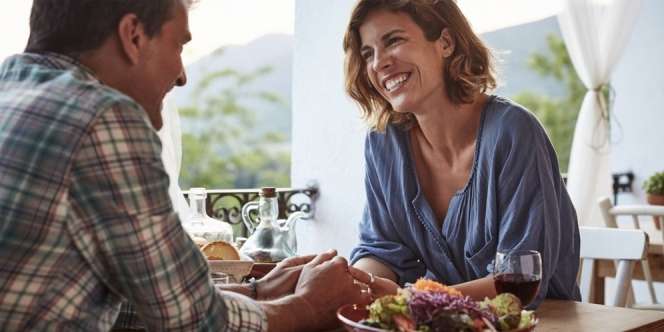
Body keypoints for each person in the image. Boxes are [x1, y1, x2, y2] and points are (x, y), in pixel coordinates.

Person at [0, 0, 369, 331]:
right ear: (133, 36)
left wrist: (257, 290)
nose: (181, 75)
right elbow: (194, 322)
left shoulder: (13, 93)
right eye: (179, 45)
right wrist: (308, 306)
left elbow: (121, 297)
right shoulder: (101, 116)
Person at [342, 0, 580, 306]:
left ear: (445, 42)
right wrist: (359, 283)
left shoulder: (513, 132)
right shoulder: (384, 142)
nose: (378, 63)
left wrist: (410, 298)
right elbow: (381, 249)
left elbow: (519, 285)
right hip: (443, 322)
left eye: (394, 40)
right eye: (368, 54)